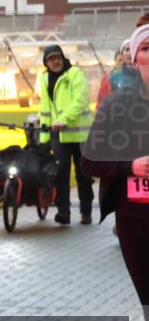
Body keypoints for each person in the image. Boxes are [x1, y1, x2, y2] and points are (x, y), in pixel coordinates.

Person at [81, 23, 149, 321]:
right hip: (135, 220)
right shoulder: (117, 105)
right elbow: (88, 161)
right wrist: (130, 166)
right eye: (146, 48)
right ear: (135, 59)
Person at [37, 44, 94, 225]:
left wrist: (63, 119)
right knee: (60, 173)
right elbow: (45, 109)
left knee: (83, 175)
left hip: (80, 136)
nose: (55, 61)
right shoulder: (44, 78)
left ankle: (86, 211)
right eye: (51, 58)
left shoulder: (75, 74)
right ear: (46, 63)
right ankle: (64, 212)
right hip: (59, 136)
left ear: (63, 58)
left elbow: (81, 100)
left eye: (58, 57)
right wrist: (44, 138)